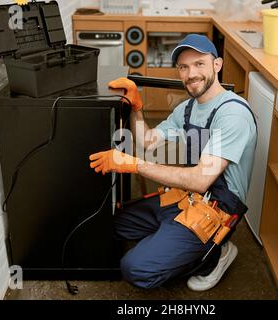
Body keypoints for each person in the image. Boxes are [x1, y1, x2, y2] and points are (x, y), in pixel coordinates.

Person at [89, 34, 257, 291]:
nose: (191, 74)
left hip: (216, 209)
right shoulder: (187, 109)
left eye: (199, 64)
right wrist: (136, 106)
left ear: (217, 65)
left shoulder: (232, 113)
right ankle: (173, 238)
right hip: (185, 196)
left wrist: (133, 164)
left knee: (136, 268)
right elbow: (147, 141)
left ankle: (215, 255)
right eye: (184, 67)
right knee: (112, 222)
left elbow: (201, 180)